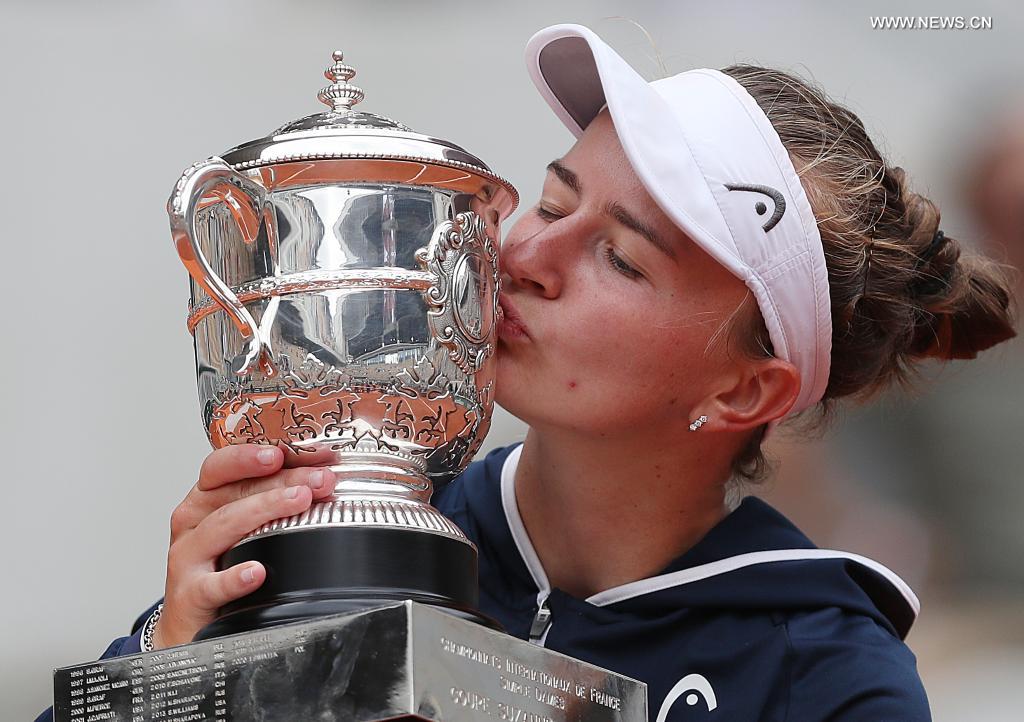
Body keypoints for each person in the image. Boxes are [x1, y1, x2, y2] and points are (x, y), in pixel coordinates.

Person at [37, 23, 1016, 722]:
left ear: (743, 390)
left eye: (621, 258)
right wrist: (168, 667)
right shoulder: (351, 541)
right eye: (553, 199)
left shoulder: (822, 672)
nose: (529, 255)